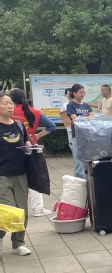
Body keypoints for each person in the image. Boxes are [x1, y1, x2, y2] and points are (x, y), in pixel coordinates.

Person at [9, 89, 56, 217]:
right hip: (32, 147)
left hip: (13, 148)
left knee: (15, 178)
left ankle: (14, 209)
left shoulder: (9, 112)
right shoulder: (35, 112)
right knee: (34, 176)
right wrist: (38, 135)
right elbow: (52, 126)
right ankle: (38, 209)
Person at [0, 93, 32, 256]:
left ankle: (18, 243)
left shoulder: (19, 125)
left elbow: (26, 142)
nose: (10, 106)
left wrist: (31, 148)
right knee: (8, 211)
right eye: (5, 103)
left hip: (20, 174)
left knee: (22, 212)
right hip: (2, 176)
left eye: (11, 103)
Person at [66, 84, 93, 179]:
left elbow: (92, 116)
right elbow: (75, 120)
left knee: (89, 160)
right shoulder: (70, 105)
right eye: (80, 92)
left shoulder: (86, 105)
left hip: (88, 136)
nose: (82, 94)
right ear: (74, 93)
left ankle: (88, 182)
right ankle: (79, 182)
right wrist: (86, 118)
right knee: (78, 162)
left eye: (83, 92)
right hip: (77, 137)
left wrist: (81, 118)